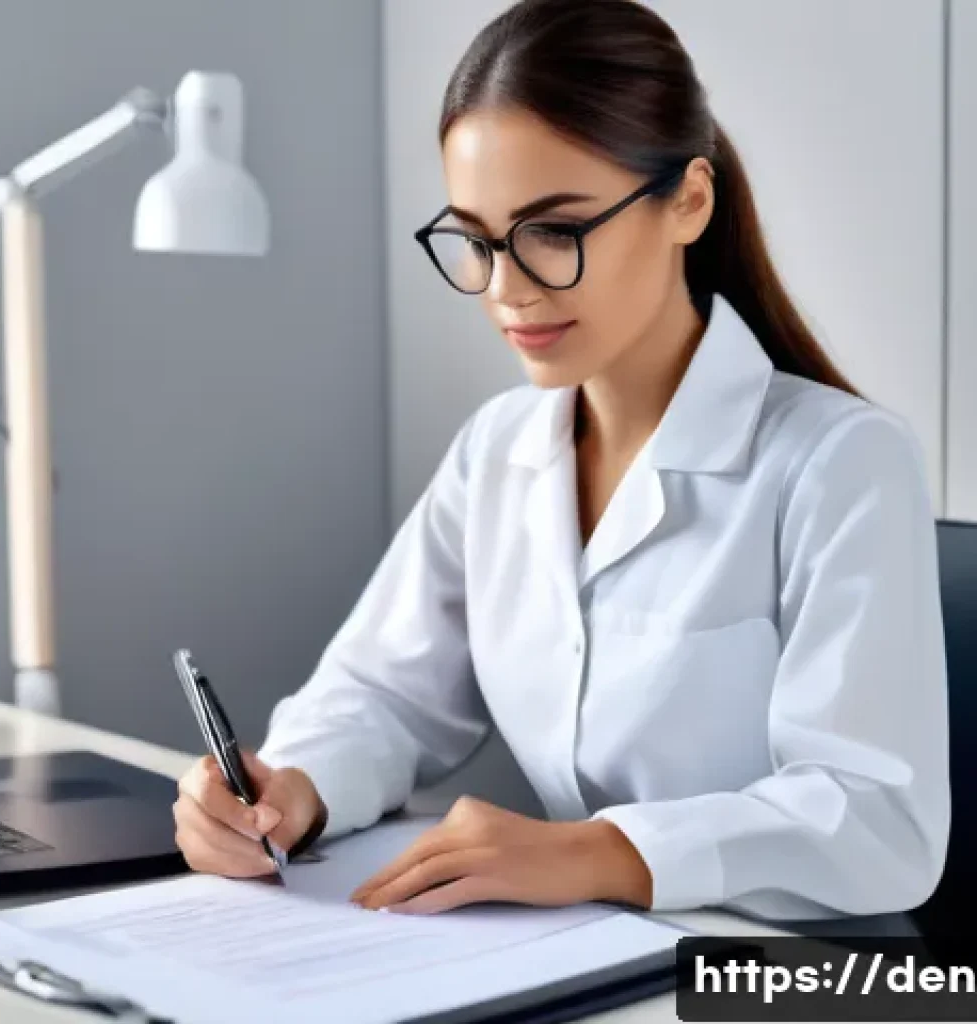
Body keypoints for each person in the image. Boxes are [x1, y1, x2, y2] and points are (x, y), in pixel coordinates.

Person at [173, 0, 950, 923]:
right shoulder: (498, 451)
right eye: (476, 238)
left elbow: (881, 823)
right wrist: (291, 789)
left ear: (689, 202)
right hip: (602, 957)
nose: (507, 289)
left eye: (554, 232)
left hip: (813, 982)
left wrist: (596, 852)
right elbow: (383, 695)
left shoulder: (840, 462)